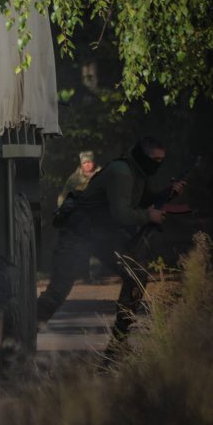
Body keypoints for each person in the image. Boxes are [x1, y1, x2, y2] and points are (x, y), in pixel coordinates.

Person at [37, 137, 186, 349]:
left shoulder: (138, 174)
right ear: (142, 156)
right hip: (78, 234)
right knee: (56, 294)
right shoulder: (121, 172)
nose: (158, 164)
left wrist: (167, 193)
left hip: (102, 236)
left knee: (136, 275)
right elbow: (122, 214)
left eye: (162, 160)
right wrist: (148, 216)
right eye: (155, 159)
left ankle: (118, 344)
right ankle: (14, 340)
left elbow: (143, 200)